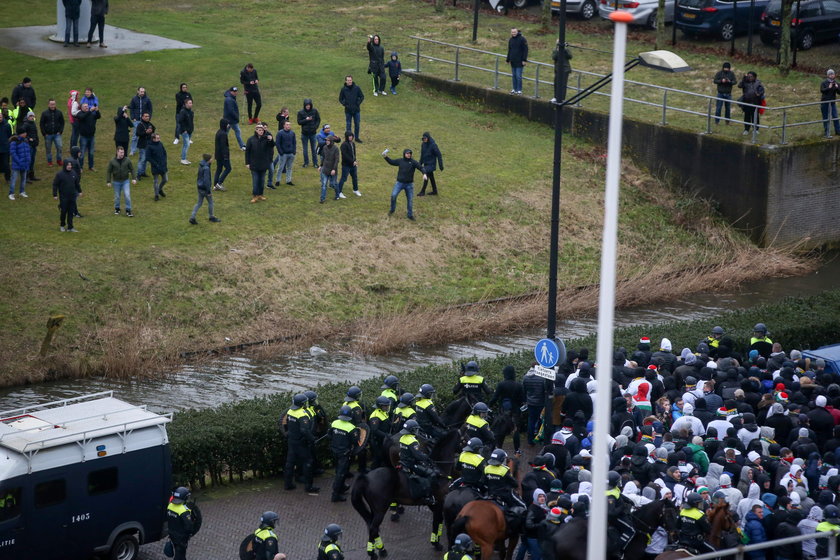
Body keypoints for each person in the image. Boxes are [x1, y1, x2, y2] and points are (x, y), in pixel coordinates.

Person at [282, 393, 319, 494]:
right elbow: (304, 430)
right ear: (302, 404)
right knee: (308, 463)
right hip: (301, 443)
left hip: (291, 441)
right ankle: (309, 486)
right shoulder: (302, 414)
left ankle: (288, 484)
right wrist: (312, 439)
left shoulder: (290, 411)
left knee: (289, 463)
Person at [398, 419, 438, 504]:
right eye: (415, 429)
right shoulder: (412, 440)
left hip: (402, 462)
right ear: (412, 430)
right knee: (431, 474)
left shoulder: (402, 438)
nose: (417, 431)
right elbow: (417, 455)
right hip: (411, 464)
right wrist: (427, 457)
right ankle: (428, 497)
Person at [383, 148, 426, 221]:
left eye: (410, 153)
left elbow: (421, 167)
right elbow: (392, 162)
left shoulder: (413, 162)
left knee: (410, 200)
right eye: (407, 153)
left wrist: (424, 173)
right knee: (393, 195)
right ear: (404, 154)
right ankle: (392, 210)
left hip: (409, 185)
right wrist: (385, 157)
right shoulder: (400, 161)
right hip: (399, 183)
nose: (409, 155)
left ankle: (410, 215)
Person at [329, 405, 360, 502]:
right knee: (340, 474)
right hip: (344, 454)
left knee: (338, 470)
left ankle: (341, 488)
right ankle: (335, 495)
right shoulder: (351, 428)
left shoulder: (334, 423)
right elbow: (355, 441)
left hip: (334, 451)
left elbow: (329, 435)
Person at [245, 123, 274, 203]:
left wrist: (271, 139)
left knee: (262, 181)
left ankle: (260, 194)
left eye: (262, 130)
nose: (261, 131)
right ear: (256, 130)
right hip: (254, 164)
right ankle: (255, 195)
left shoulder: (266, 139)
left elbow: (272, 146)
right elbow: (247, 152)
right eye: (259, 130)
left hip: (264, 164)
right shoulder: (251, 139)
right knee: (255, 181)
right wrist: (247, 163)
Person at [189, 154, 220, 225]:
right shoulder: (206, 168)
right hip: (205, 188)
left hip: (199, 187)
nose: (212, 160)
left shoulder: (201, 165)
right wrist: (208, 191)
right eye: (211, 159)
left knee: (199, 203)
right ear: (208, 160)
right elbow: (206, 180)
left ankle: (192, 217)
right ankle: (211, 216)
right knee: (211, 202)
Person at [166, 487, 195, 560]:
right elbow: (189, 526)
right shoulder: (183, 511)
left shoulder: (170, 506)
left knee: (180, 554)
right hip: (181, 538)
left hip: (172, 535)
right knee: (180, 556)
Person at [52, 160, 81, 232]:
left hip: (72, 196)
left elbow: (77, 183)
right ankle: (62, 225)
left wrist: (80, 191)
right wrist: (55, 194)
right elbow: (55, 185)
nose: (69, 166)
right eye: (68, 165)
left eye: (70, 165)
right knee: (63, 211)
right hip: (63, 197)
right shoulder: (60, 174)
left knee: (71, 212)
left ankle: (70, 227)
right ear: (65, 165)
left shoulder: (73, 173)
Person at [106, 146, 136, 216]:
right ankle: (117, 208)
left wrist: (134, 178)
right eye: (121, 152)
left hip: (125, 181)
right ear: (117, 152)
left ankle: (128, 210)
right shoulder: (112, 161)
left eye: (123, 152)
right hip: (116, 182)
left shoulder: (127, 160)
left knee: (127, 195)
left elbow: (132, 169)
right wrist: (108, 181)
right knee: (117, 196)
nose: (122, 154)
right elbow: (109, 171)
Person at [368, 395, 392, 469]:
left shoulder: (383, 412)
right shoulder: (375, 416)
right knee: (377, 459)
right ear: (380, 406)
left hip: (382, 440)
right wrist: (386, 435)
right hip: (377, 441)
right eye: (386, 406)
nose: (387, 407)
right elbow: (375, 430)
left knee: (383, 458)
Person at [339, 76, 365, 142]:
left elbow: (362, 96)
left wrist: (358, 103)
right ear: (346, 81)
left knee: (357, 124)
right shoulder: (343, 89)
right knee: (348, 125)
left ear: (352, 80)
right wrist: (345, 104)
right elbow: (340, 99)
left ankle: (356, 138)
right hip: (348, 111)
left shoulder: (357, 88)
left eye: (350, 80)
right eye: (348, 80)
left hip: (356, 110)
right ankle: (348, 138)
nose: (349, 81)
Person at [40, 99, 64, 168]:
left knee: (59, 147)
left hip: (57, 134)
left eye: (54, 104)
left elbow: (62, 122)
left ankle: (59, 160)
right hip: (48, 135)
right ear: (48, 105)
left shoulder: (59, 113)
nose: (52, 106)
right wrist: (44, 133)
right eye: (51, 104)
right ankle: (49, 161)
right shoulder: (44, 113)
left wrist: (60, 131)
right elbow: (41, 124)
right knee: (48, 149)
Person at [297, 98, 321, 167]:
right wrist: (306, 120)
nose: (308, 106)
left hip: (313, 133)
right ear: (304, 105)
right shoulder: (300, 112)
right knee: (305, 149)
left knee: (314, 149)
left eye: (309, 105)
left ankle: (315, 163)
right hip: (304, 134)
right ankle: (306, 163)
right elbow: (299, 122)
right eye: (307, 105)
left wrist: (315, 127)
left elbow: (318, 119)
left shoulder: (315, 111)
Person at [128, 87, 152, 156]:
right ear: (138, 91)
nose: (142, 93)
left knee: (144, 135)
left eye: (143, 92)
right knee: (135, 136)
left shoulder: (147, 99)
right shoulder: (134, 99)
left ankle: (142, 148)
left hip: (145, 121)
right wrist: (133, 118)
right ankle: (133, 150)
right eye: (141, 91)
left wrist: (148, 117)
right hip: (136, 120)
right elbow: (131, 108)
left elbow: (150, 109)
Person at [418, 132, 443, 196]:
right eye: (423, 138)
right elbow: (422, 154)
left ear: (428, 138)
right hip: (426, 163)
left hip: (431, 164)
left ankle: (422, 191)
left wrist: (440, 165)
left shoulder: (433, 145)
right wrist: (419, 163)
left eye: (425, 138)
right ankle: (435, 191)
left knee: (425, 173)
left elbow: (439, 155)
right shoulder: (423, 144)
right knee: (431, 176)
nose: (424, 140)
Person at [145, 132, 168, 200]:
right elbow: (148, 157)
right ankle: (156, 195)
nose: (159, 139)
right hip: (155, 167)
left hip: (163, 165)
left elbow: (164, 152)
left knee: (165, 179)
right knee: (156, 181)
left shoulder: (160, 144)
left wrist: (165, 161)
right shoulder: (149, 147)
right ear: (153, 139)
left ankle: (159, 189)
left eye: (159, 137)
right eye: (158, 138)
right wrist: (155, 164)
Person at [273, 119, 296, 187]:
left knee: (289, 167)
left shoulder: (292, 133)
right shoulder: (280, 133)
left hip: (291, 153)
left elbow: (294, 142)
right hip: (283, 154)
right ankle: (278, 180)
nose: (288, 126)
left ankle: (288, 180)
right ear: (284, 125)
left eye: (289, 124)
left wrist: (294, 151)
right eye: (287, 124)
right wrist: (281, 152)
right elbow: (277, 143)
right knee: (281, 167)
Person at [337, 131, 360, 196]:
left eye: (351, 136)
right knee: (343, 178)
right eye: (349, 136)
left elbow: (354, 154)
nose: (351, 137)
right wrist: (352, 161)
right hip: (346, 165)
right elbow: (345, 155)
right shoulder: (344, 145)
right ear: (346, 137)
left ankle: (355, 190)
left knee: (355, 177)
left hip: (353, 165)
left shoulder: (353, 143)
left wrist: (355, 161)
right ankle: (339, 192)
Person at [506, 28, 528, 95]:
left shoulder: (522, 39)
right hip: (513, 61)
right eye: (512, 32)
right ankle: (514, 89)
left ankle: (519, 90)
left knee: (518, 76)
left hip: (520, 61)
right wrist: (508, 59)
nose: (513, 33)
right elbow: (509, 50)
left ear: (517, 32)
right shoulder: (511, 40)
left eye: (514, 32)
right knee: (514, 76)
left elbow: (525, 50)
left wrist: (524, 60)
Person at [319, 134, 340, 203]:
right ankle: (322, 199)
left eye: (328, 140)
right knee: (324, 184)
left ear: (331, 141)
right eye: (326, 140)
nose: (327, 141)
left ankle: (337, 195)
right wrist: (320, 166)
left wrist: (334, 169)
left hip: (332, 170)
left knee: (334, 184)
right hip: (325, 169)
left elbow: (337, 160)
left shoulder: (336, 149)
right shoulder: (324, 147)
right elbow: (323, 157)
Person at [8, 130, 29, 200]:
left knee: (24, 179)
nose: (26, 134)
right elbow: (13, 153)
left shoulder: (25, 140)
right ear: (21, 134)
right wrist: (19, 161)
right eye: (24, 133)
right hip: (17, 164)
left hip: (25, 163)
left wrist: (28, 160)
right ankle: (11, 193)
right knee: (14, 179)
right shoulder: (14, 142)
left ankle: (22, 191)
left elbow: (28, 151)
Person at [19, 111, 40, 181]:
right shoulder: (26, 124)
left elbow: (35, 133)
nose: (32, 117)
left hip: (34, 145)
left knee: (32, 161)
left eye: (32, 116)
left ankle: (31, 175)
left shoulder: (33, 123)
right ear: (28, 117)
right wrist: (28, 139)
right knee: (28, 161)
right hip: (29, 145)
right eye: (30, 116)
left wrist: (37, 140)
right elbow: (22, 134)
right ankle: (26, 176)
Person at [820, 69, 840, 138]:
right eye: (830, 74)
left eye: (833, 74)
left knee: (835, 117)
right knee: (826, 118)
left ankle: (838, 131)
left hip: (832, 103)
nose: (832, 75)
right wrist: (829, 87)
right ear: (828, 75)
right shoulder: (824, 83)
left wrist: (837, 88)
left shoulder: (836, 83)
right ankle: (827, 133)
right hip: (825, 103)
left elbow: (839, 92)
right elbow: (822, 91)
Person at [134, 112, 155, 179]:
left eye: (148, 116)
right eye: (145, 116)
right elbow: (137, 134)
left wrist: (151, 131)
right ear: (142, 117)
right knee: (142, 159)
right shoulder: (140, 124)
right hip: (142, 144)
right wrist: (146, 132)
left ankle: (143, 172)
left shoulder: (149, 124)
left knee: (146, 159)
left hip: (149, 144)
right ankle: (138, 174)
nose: (147, 117)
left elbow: (154, 128)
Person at [551, 39, 573, 103]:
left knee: (563, 84)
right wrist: (558, 50)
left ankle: (562, 98)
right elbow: (554, 57)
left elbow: (570, 56)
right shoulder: (555, 50)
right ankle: (555, 97)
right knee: (556, 83)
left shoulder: (566, 50)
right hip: (558, 69)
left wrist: (565, 49)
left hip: (565, 69)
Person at [213, 119, 231, 191]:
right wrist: (226, 156)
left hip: (218, 154)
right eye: (227, 124)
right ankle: (219, 183)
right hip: (223, 156)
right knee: (228, 168)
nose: (228, 125)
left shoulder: (219, 132)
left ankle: (215, 185)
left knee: (219, 169)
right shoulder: (223, 134)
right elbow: (224, 146)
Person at [177, 99, 194, 165]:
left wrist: (191, 129)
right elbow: (180, 121)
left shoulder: (191, 112)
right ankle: (183, 159)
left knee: (186, 145)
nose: (191, 104)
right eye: (189, 103)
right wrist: (184, 130)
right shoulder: (183, 112)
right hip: (185, 132)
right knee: (186, 145)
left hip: (189, 131)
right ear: (186, 104)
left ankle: (184, 158)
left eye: (191, 103)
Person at [0, 112, 11, 187]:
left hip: (5, 149)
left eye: (0, 117)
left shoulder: (7, 125)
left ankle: (8, 178)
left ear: (2, 117)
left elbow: (9, 136)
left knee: (6, 165)